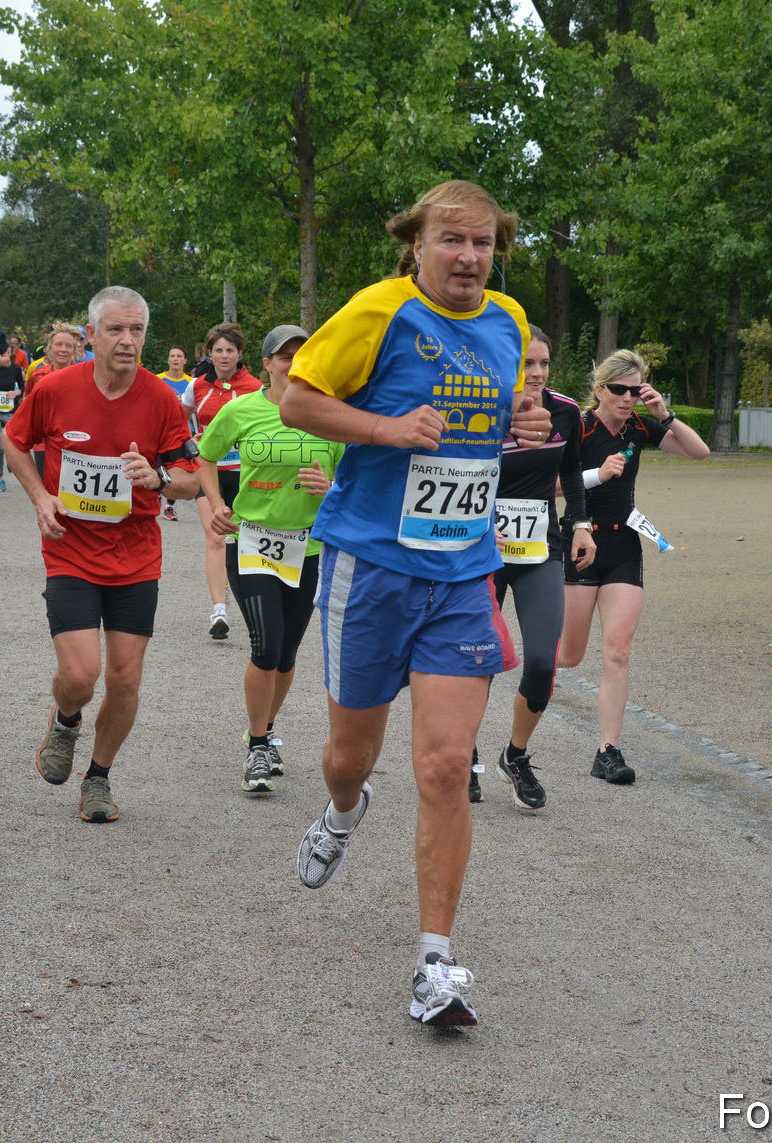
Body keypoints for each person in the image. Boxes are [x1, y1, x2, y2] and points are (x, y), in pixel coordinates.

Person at [279, 179, 552, 1028]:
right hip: (371, 564)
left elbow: (490, 416)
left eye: (483, 244)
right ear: (418, 243)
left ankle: (437, 963)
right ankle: (344, 810)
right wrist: (387, 429)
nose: (469, 257)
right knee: (348, 755)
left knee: (443, 765)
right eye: (452, 241)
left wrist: (521, 427)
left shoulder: (508, 323)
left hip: (463, 572)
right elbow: (296, 398)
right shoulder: (378, 311)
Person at [6, 286, 201, 823]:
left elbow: (193, 477)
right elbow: (13, 440)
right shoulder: (55, 388)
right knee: (81, 674)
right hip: (70, 549)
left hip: (136, 555)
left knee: (125, 679)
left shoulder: (162, 399)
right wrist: (41, 497)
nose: (128, 340)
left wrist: (158, 478)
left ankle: (98, 778)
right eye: (115, 329)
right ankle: (66, 719)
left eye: (137, 330)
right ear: (90, 336)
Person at [196, 324, 340, 792]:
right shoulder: (243, 410)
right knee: (266, 646)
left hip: (308, 546)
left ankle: (266, 727)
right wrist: (217, 503)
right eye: (284, 357)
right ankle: (258, 746)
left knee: (287, 654)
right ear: (267, 364)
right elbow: (205, 456)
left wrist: (333, 489)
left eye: (302, 356)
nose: (293, 364)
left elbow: (355, 481)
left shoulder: (328, 415)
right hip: (254, 539)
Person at [555, 348, 709, 785]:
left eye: (635, 391)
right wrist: (595, 476)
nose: (628, 399)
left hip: (624, 545)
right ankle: (530, 692)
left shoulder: (641, 427)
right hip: (582, 542)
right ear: (600, 390)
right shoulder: (579, 427)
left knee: (617, 652)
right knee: (568, 655)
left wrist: (665, 412)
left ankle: (608, 751)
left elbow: (700, 453)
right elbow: (549, 484)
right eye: (619, 390)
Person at [474, 325, 591, 808]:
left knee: (543, 660)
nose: (537, 373)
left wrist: (580, 523)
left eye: (543, 363)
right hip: (480, 550)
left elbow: (570, 472)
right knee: (475, 659)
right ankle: (464, 754)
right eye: (527, 364)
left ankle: (516, 756)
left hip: (539, 547)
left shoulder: (564, 412)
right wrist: (480, 521)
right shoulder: (480, 411)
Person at [182, 323, 263, 639]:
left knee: (245, 541)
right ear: (209, 353)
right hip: (209, 471)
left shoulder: (255, 387)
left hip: (247, 473)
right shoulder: (197, 385)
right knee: (216, 537)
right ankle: (219, 610)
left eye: (230, 350)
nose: (224, 356)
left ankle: (254, 604)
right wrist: (186, 444)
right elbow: (179, 416)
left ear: (240, 353)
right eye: (219, 350)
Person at [24, 324, 80, 477]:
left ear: (74, 351)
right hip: (43, 441)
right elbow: (26, 405)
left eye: (68, 346)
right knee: (45, 488)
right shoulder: (37, 375)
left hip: (73, 442)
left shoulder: (84, 377)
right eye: (58, 344)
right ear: (48, 349)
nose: (63, 349)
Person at [159, 346, 194, 520]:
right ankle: (156, 495)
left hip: (182, 433)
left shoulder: (191, 382)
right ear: (168, 360)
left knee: (179, 469)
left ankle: (169, 506)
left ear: (185, 360)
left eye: (179, 356)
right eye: (172, 356)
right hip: (159, 431)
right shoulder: (158, 380)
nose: (175, 359)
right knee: (158, 466)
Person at [0, 335, 28, 491]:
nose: (4, 356)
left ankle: (10, 461)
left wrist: (17, 393)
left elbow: (23, 387)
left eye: (7, 353)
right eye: (2, 353)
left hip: (10, 413)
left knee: (11, 446)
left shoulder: (15, 369)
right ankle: (0, 478)